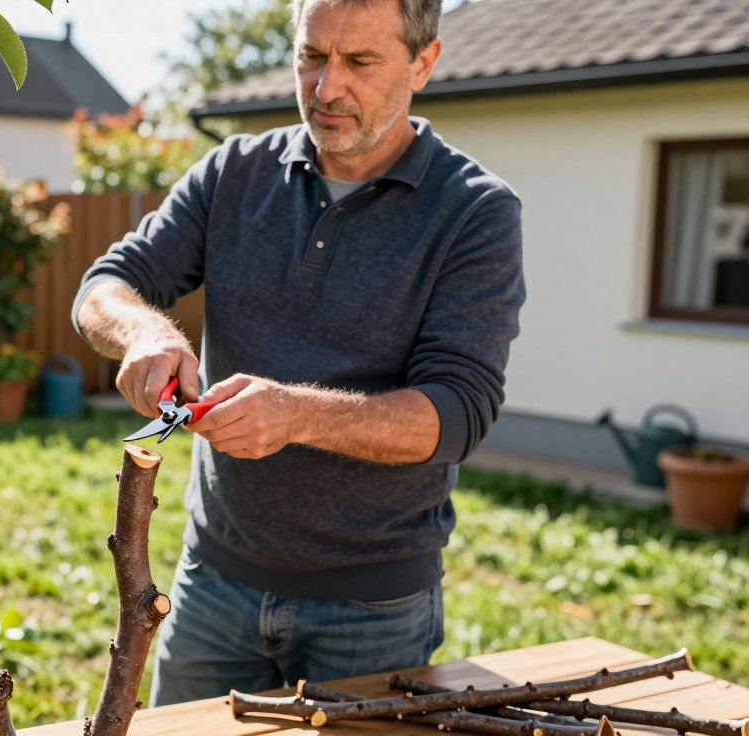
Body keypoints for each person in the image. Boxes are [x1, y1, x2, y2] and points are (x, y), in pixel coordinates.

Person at [71, 0, 526, 707]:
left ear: (424, 63)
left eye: (360, 62)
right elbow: (106, 286)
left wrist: (296, 415)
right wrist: (147, 334)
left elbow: (458, 413)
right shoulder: (234, 172)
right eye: (311, 57)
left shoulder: (474, 212)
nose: (326, 87)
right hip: (213, 582)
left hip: (373, 609)